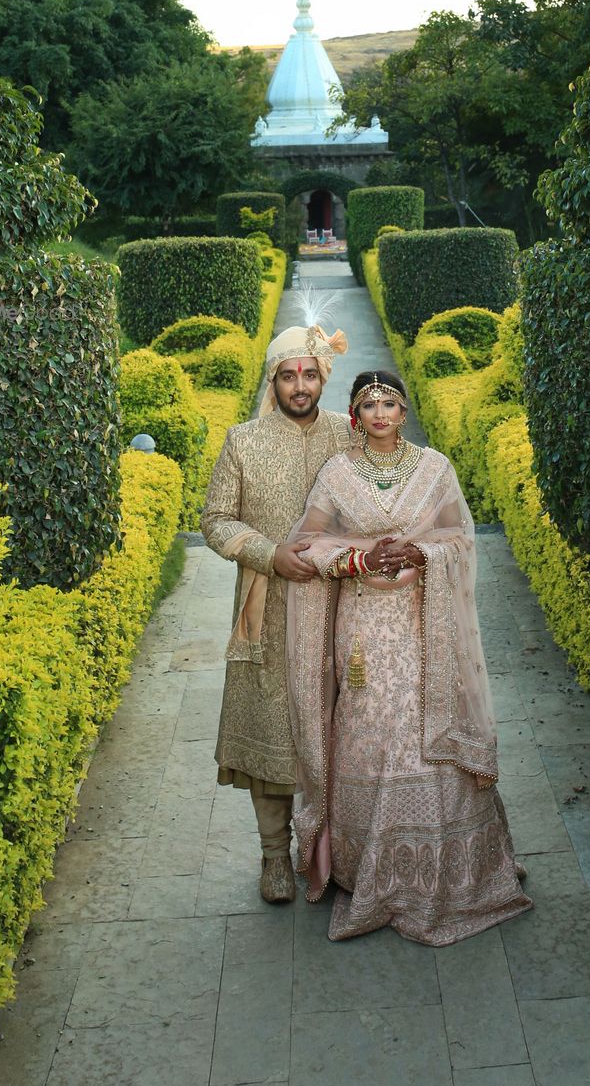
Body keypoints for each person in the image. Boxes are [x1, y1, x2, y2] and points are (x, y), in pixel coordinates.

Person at [286, 369, 531, 944]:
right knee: (373, 722)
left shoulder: (434, 468)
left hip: (425, 621)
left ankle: (446, 869)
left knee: (425, 720)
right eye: (368, 404)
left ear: (403, 413)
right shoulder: (338, 473)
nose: (379, 414)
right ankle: (363, 866)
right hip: (365, 626)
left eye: (389, 404)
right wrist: (356, 561)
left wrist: (422, 552)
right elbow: (307, 543)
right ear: (354, 414)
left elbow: (461, 536)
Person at [200, 318, 351, 903]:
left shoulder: (346, 435)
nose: (299, 386)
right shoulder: (243, 440)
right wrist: (269, 553)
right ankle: (273, 857)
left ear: (323, 378)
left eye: (309, 374)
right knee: (271, 734)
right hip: (267, 610)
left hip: (340, 608)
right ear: (273, 381)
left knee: (340, 731)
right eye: (287, 376)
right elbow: (215, 521)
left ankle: (331, 850)